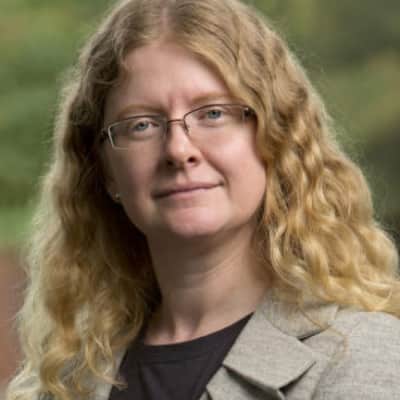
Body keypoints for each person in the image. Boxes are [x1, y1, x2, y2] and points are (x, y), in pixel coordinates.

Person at [6, 0, 400, 399]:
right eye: (141, 124)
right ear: (106, 171)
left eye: (212, 114)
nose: (179, 150)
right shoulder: (64, 381)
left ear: (277, 139)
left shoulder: (360, 356)